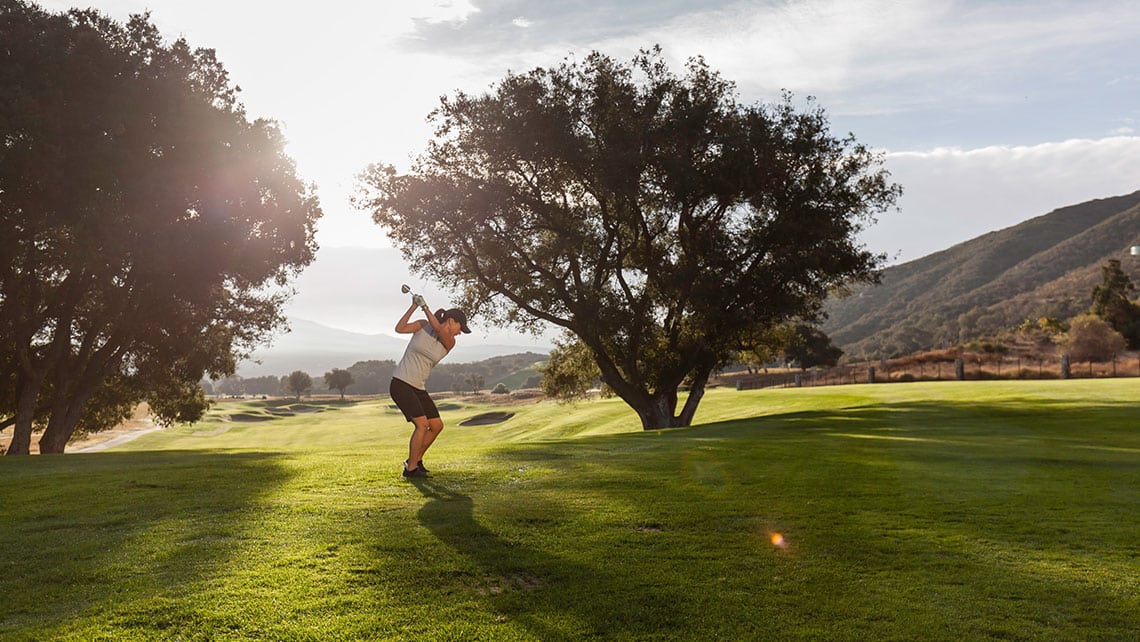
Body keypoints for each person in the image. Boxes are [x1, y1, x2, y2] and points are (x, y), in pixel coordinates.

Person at [389, 294, 471, 478]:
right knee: (422, 425)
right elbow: (399, 328)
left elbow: (438, 328)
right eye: (460, 328)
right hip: (401, 382)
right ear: (451, 321)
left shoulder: (449, 342)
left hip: (418, 387)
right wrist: (413, 307)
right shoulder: (421, 325)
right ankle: (410, 470)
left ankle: (415, 460)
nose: (459, 333)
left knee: (436, 425)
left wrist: (425, 306)